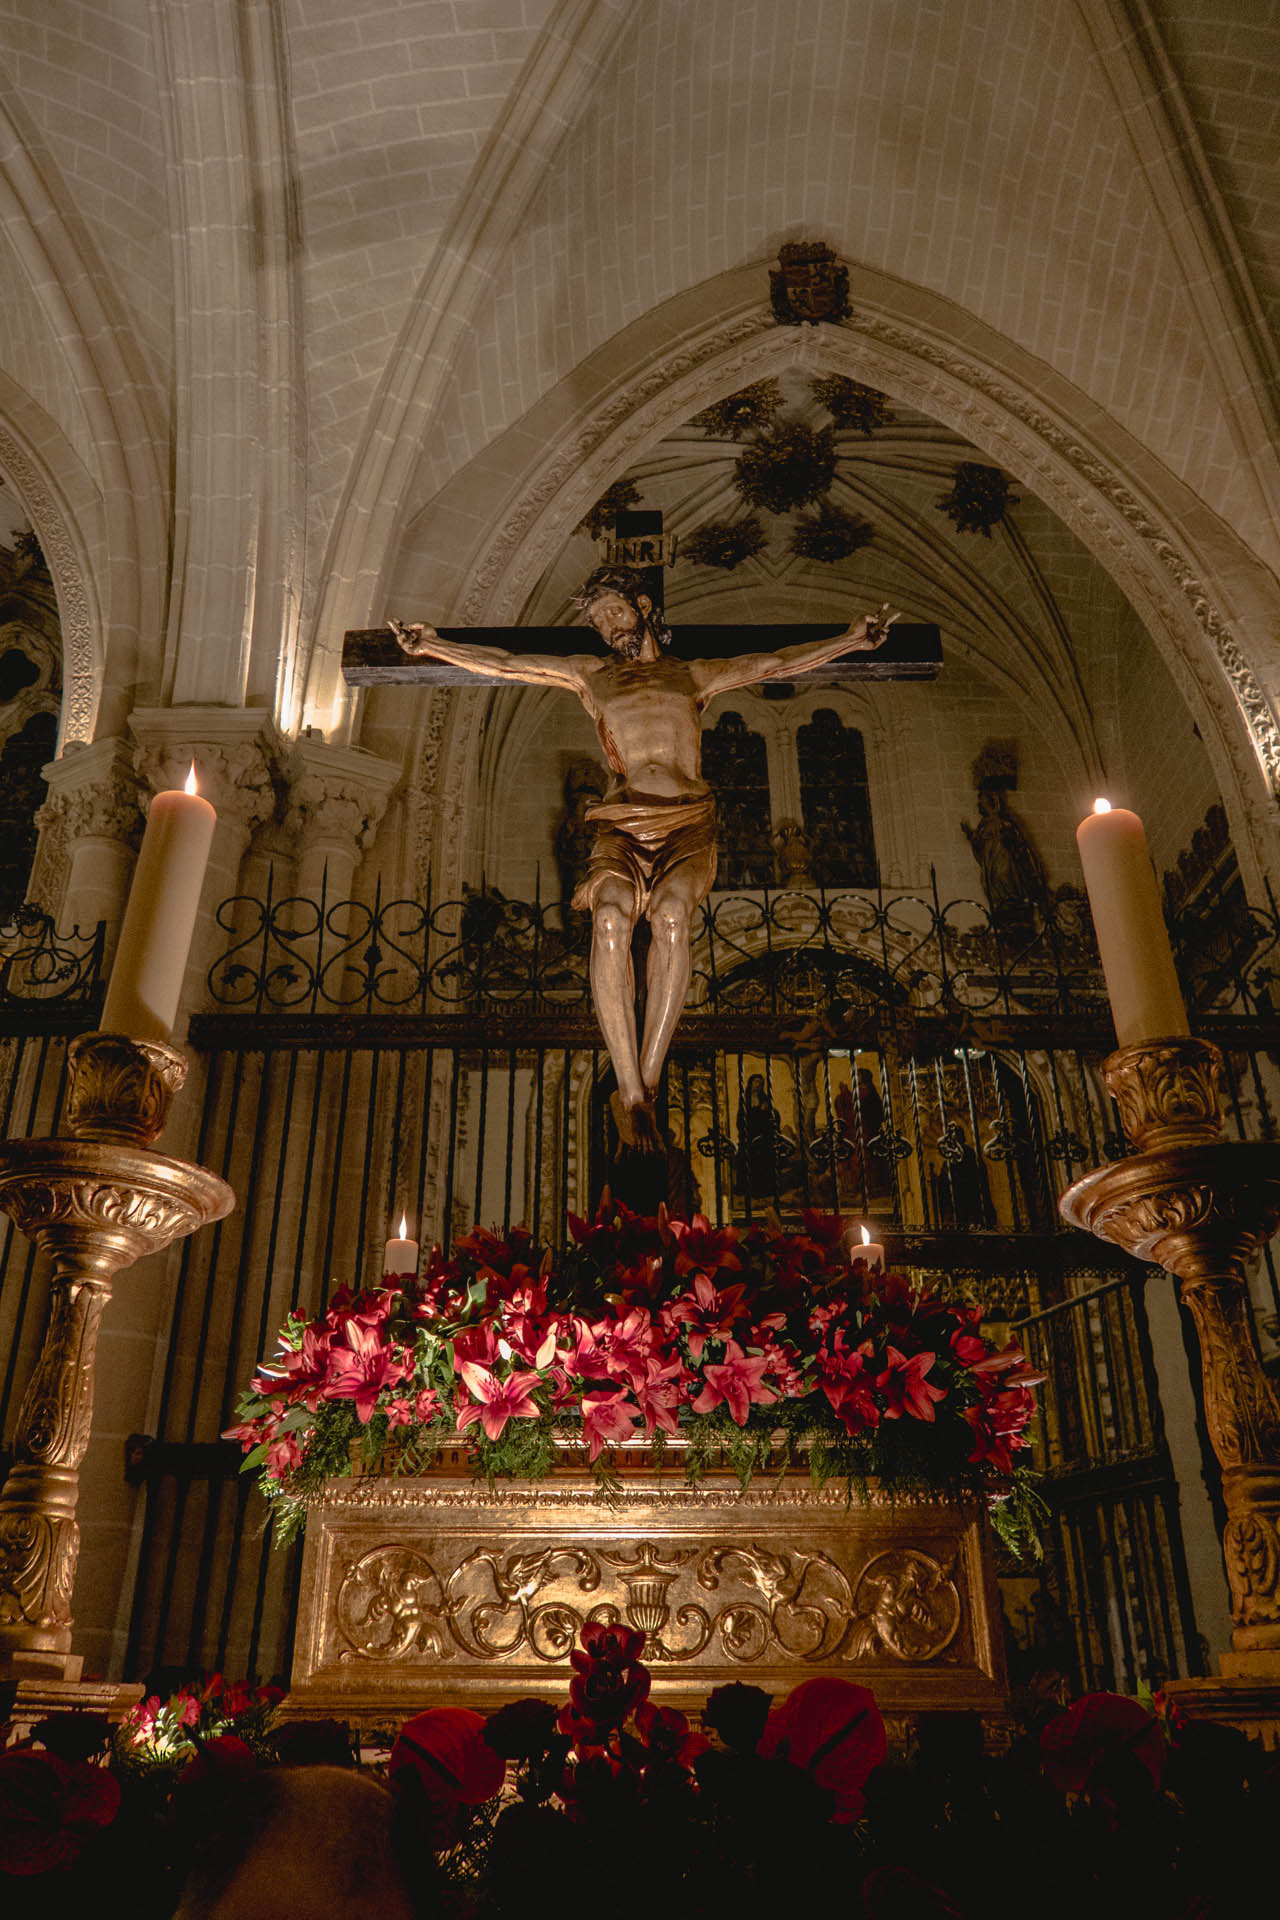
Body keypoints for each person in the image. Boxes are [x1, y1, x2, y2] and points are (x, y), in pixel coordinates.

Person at [393, 568, 894, 1148]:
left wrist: (851, 641)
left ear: (643, 605)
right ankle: (629, 1090)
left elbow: (775, 663)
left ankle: (645, 1084)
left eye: (613, 612)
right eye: (598, 621)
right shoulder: (591, 676)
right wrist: (433, 646)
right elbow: (507, 663)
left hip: (687, 820)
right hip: (623, 822)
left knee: (673, 916)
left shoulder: (691, 675)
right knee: (609, 918)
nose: (607, 627)